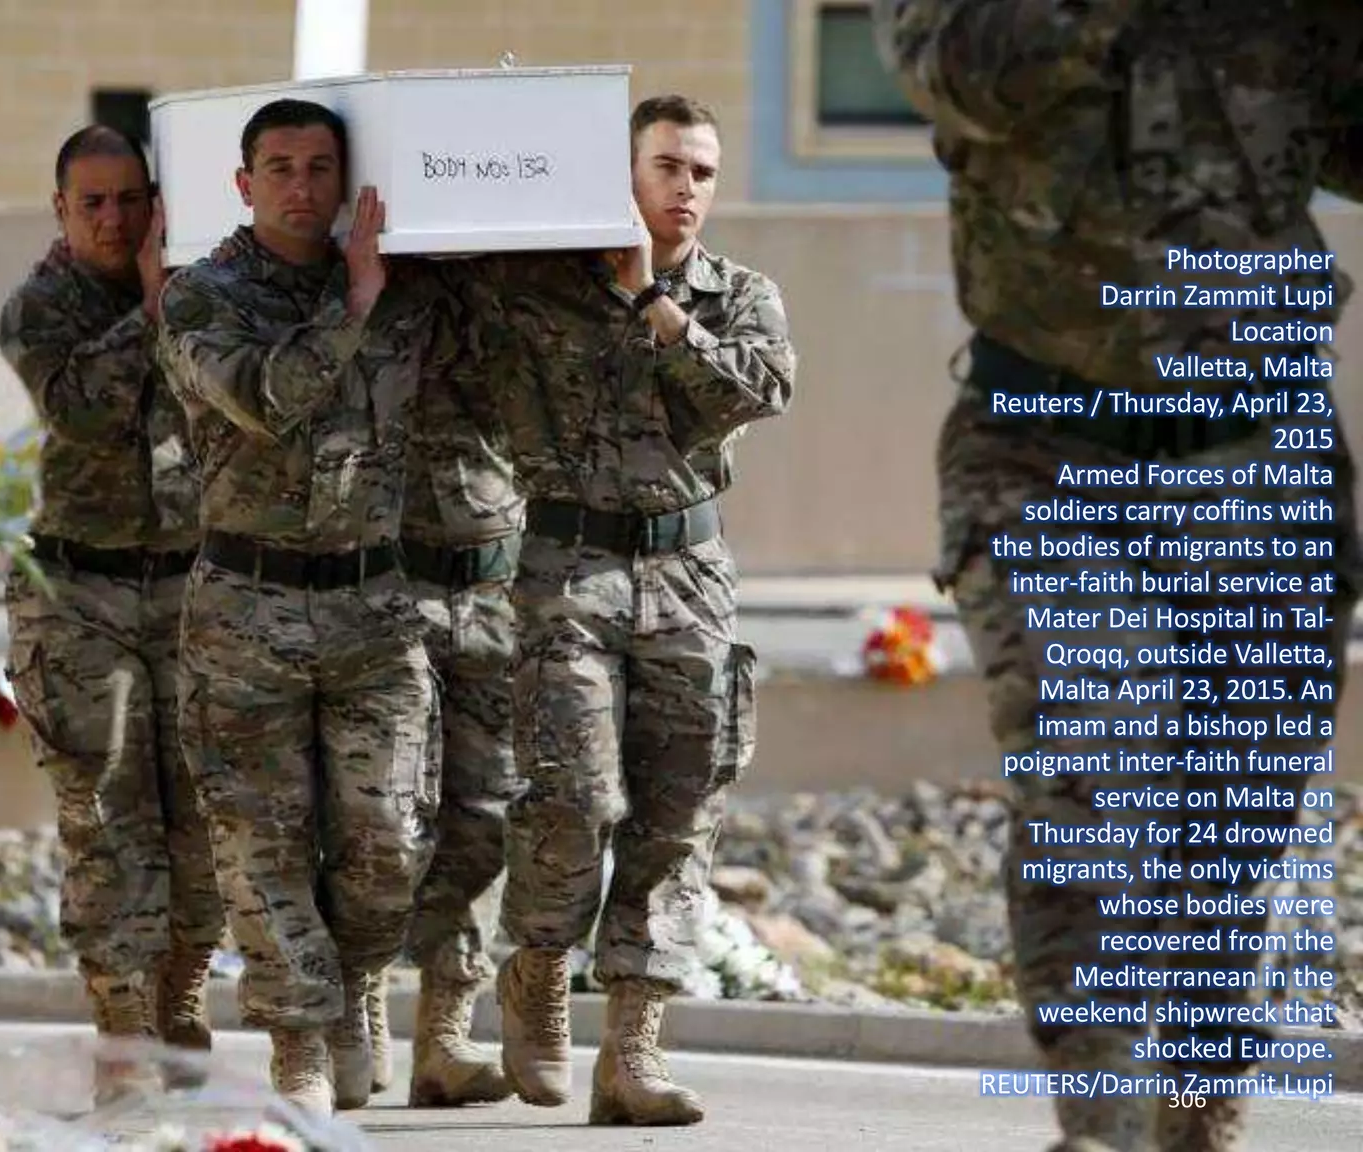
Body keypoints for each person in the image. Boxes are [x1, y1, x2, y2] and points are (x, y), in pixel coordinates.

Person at [875, 7, 1363, 1151]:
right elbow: (956, 69)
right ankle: (1102, 1123)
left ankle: (1196, 1108)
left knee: (1238, 821)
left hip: (1261, 451)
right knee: (1088, 776)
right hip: (1045, 447)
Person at [447, 94, 795, 1127]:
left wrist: (656, 303)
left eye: (701, 172)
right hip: (567, 564)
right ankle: (539, 970)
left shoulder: (738, 295)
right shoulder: (536, 289)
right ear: (624, 173)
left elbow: (755, 393)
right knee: (574, 794)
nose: (685, 189)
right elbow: (445, 296)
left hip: (689, 571)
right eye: (666, 167)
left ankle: (634, 1049)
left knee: (680, 810)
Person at [156, 98, 446, 1118]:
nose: (299, 186)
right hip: (248, 608)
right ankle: (299, 1045)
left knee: (388, 839)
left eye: (320, 167)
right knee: (260, 842)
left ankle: (353, 986)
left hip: (374, 608)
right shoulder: (201, 297)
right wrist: (355, 301)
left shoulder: (403, 291)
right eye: (278, 167)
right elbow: (269, 397)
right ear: (243, 183)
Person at [0, 125, 224, 1102]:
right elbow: (80, 409)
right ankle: (123, 1026)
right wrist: (151, 310)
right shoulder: (39, 307)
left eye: (131, 200)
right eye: (91, 202)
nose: (112, 218)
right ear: (60, 208)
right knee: (105, 816)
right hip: (75, 595)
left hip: (187, 586)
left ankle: (181, 989)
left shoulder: (200, 295)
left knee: (203, 810)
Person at [378, 264, 524, 1109]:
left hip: (491, 589)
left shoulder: (520, 284)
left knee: (484, 814)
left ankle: (445, 1033)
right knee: (376, 814)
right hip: (382, 587)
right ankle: (358, 1004)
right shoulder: (350, 278)